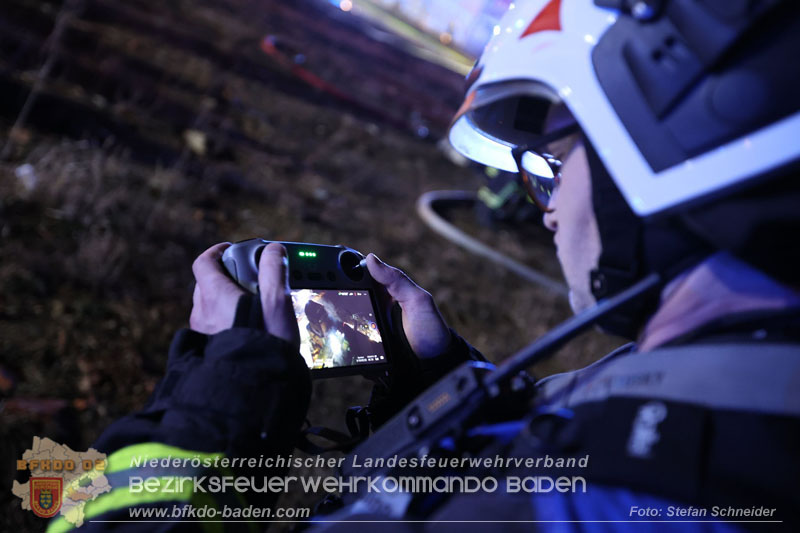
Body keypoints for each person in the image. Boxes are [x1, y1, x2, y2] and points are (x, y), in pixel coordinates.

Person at [48, 0, 800, 531]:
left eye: (550, 163)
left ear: (666, 140)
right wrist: (441, 386)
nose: (543, 206)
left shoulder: (570, 511)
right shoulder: (736, 382)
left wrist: (203, 426)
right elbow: (580, 424)